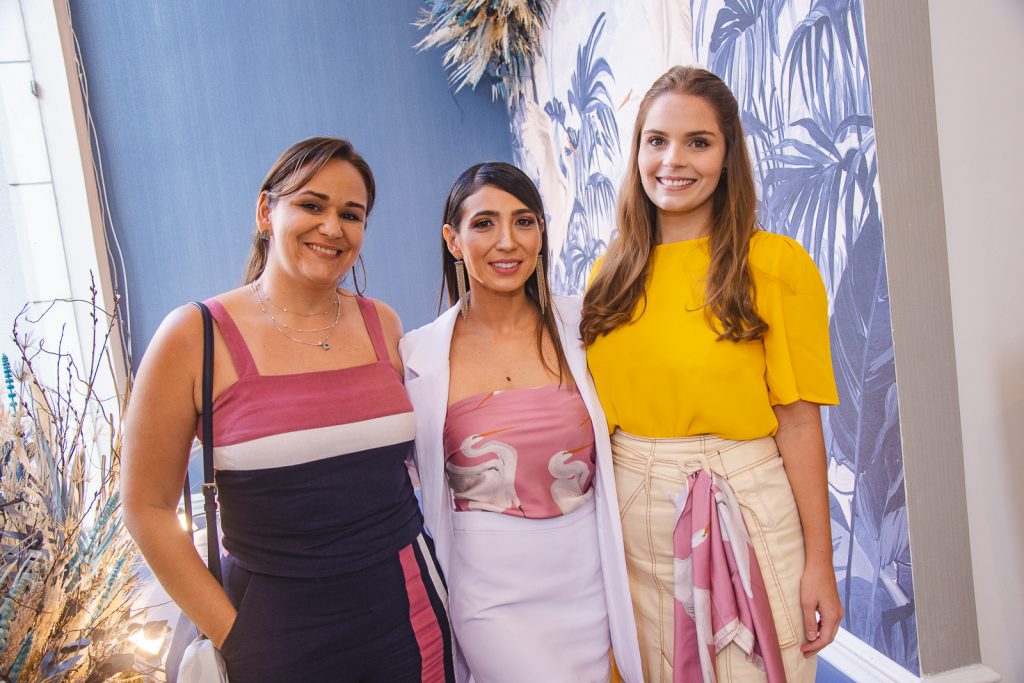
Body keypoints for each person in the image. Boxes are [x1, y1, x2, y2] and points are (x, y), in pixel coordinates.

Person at [121, 137, 455, 682]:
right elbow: (146, 506)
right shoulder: (193, 336)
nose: (332, 227)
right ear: (266, 211)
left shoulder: (384, 325)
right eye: (311, 204)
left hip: (410, 612)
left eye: (352, 214)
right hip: (276, 636)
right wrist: (235, 635)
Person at [581, 66, 843, 682]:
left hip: (748, 505)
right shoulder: (606, 277)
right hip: (633, 515)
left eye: (698, 142)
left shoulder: (776, 265)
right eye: (656, 140)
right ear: (638, 151)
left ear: (727, 157)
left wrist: (820, 564)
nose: (673, 160)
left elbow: (800, 425)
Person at [399, 162, 643, 683]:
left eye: (524, 221)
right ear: (454, 240)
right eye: (484, 223)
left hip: (588, 573)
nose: (507, 241)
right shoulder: (417, 355)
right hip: (488, 590)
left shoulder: (587, 327)